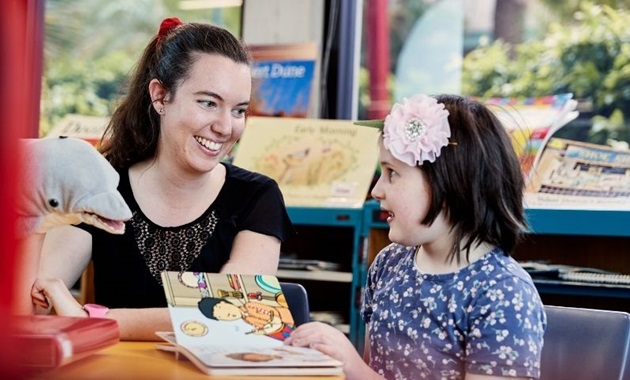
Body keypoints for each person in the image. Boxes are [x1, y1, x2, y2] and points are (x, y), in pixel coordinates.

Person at [31, 17, 295, 341]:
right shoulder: (103, 189)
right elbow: (34, 304)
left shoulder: (258, 195)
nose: (226, 127)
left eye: (239, 110)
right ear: (160, 96)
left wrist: (93, 320)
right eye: (208, 103)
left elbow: (237, 313)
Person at [285, 94, 547, 379]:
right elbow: (376, 368)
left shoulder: (503, 292)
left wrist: (353, 367)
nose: (377, 190)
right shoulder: (388, 264)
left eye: (392, 173)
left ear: (450, 183)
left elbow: (365, 373)